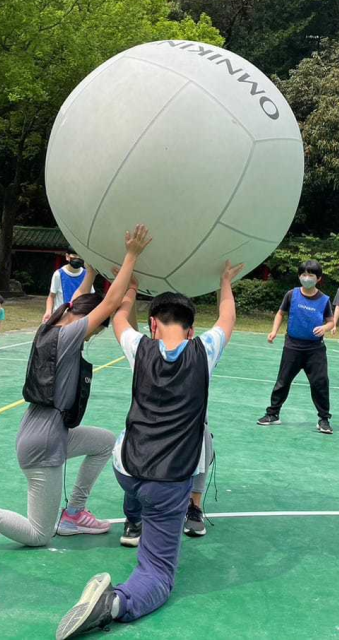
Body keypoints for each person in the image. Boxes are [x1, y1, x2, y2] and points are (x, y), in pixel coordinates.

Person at [56, 260, 243, 640]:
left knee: (137, 488)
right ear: (191, 329)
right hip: (167, 481)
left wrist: (131, 285)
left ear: (154, 324)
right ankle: (116, 604)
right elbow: (227, 317)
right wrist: (224, 281)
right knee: (158, 574)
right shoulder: (203, 351)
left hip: (125, 470)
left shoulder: (140, 348)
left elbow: (122, 316)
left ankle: (132, 520)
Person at [0, 226, 152, 548]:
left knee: (104, 442)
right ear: (83, 323)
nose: (90, 336)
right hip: (43, 446)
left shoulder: (51, 324)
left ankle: (74, 511)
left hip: (43, 432)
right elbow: (111, 302)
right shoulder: (69, 337)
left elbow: (79, 302)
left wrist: (90, 269)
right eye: (93, 331)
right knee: (39, 533)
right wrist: (131, 257)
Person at [258, 260, 336, 434]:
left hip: (315, 349)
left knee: (320, 383)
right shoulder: (291, 295)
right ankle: (273, 414)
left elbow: (331, 322)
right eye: (303, 274)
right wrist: (273, 331)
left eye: (311, 275)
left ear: (318, 278)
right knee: (283, 381)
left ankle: (324, 419)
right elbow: (280, 313)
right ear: (299, 276)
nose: (306, 278)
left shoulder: (324, 300)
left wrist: (324, 328)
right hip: (292, 346)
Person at [44, 252, 94, 322]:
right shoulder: (58, 274)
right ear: (67, 256)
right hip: (61, 317)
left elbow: (91, 296)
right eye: (75, 255)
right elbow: (51, 296)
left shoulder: (87, 274)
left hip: (79, 318)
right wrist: (48, 311)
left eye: (80, 255)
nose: (77, 257)